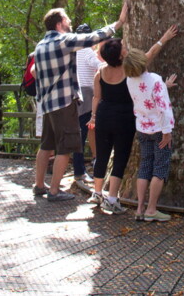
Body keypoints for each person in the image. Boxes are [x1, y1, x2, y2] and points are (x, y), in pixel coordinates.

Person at [32, 4, 127, 202]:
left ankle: (39, 185)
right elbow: (91, 38)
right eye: (67, 20)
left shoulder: (40, 45)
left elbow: (35, 73)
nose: (70, 23)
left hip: (47, 103)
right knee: (66, 147)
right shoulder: (62, 41)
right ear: (59, 24)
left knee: (46, 145)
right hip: (63, 102)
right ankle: (55, 191)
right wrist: (118, 23)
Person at [88, 26, 177, 214]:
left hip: (107, 116)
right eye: (123, 48)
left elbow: (97, 96)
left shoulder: (103, 72)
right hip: (128, 120)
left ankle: (99, 193)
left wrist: (94, 115)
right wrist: (165, 38)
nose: (126, 49)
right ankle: (116, 198)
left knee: (103, 154)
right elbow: (150, 56)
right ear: (120, 57)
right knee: (123, 157)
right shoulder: (130, 73)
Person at [125, 49, 177, 222]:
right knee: (160, 167)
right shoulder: (155, 79)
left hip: (142, 128)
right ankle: (151, 209)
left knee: (145, 165)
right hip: (159, 130)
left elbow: (144, 94)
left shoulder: (129, 80)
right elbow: (163, 107)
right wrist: (167, 132)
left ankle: (139, 208)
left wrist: (164, 86)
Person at [73, 25, 100, 191]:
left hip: (75, 94)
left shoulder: (73, 50)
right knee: (82, 133)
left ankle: (80, 169)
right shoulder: (87, 51)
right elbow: (98, 65)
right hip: (87, 95)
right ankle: (79, 172)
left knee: (79, 133)